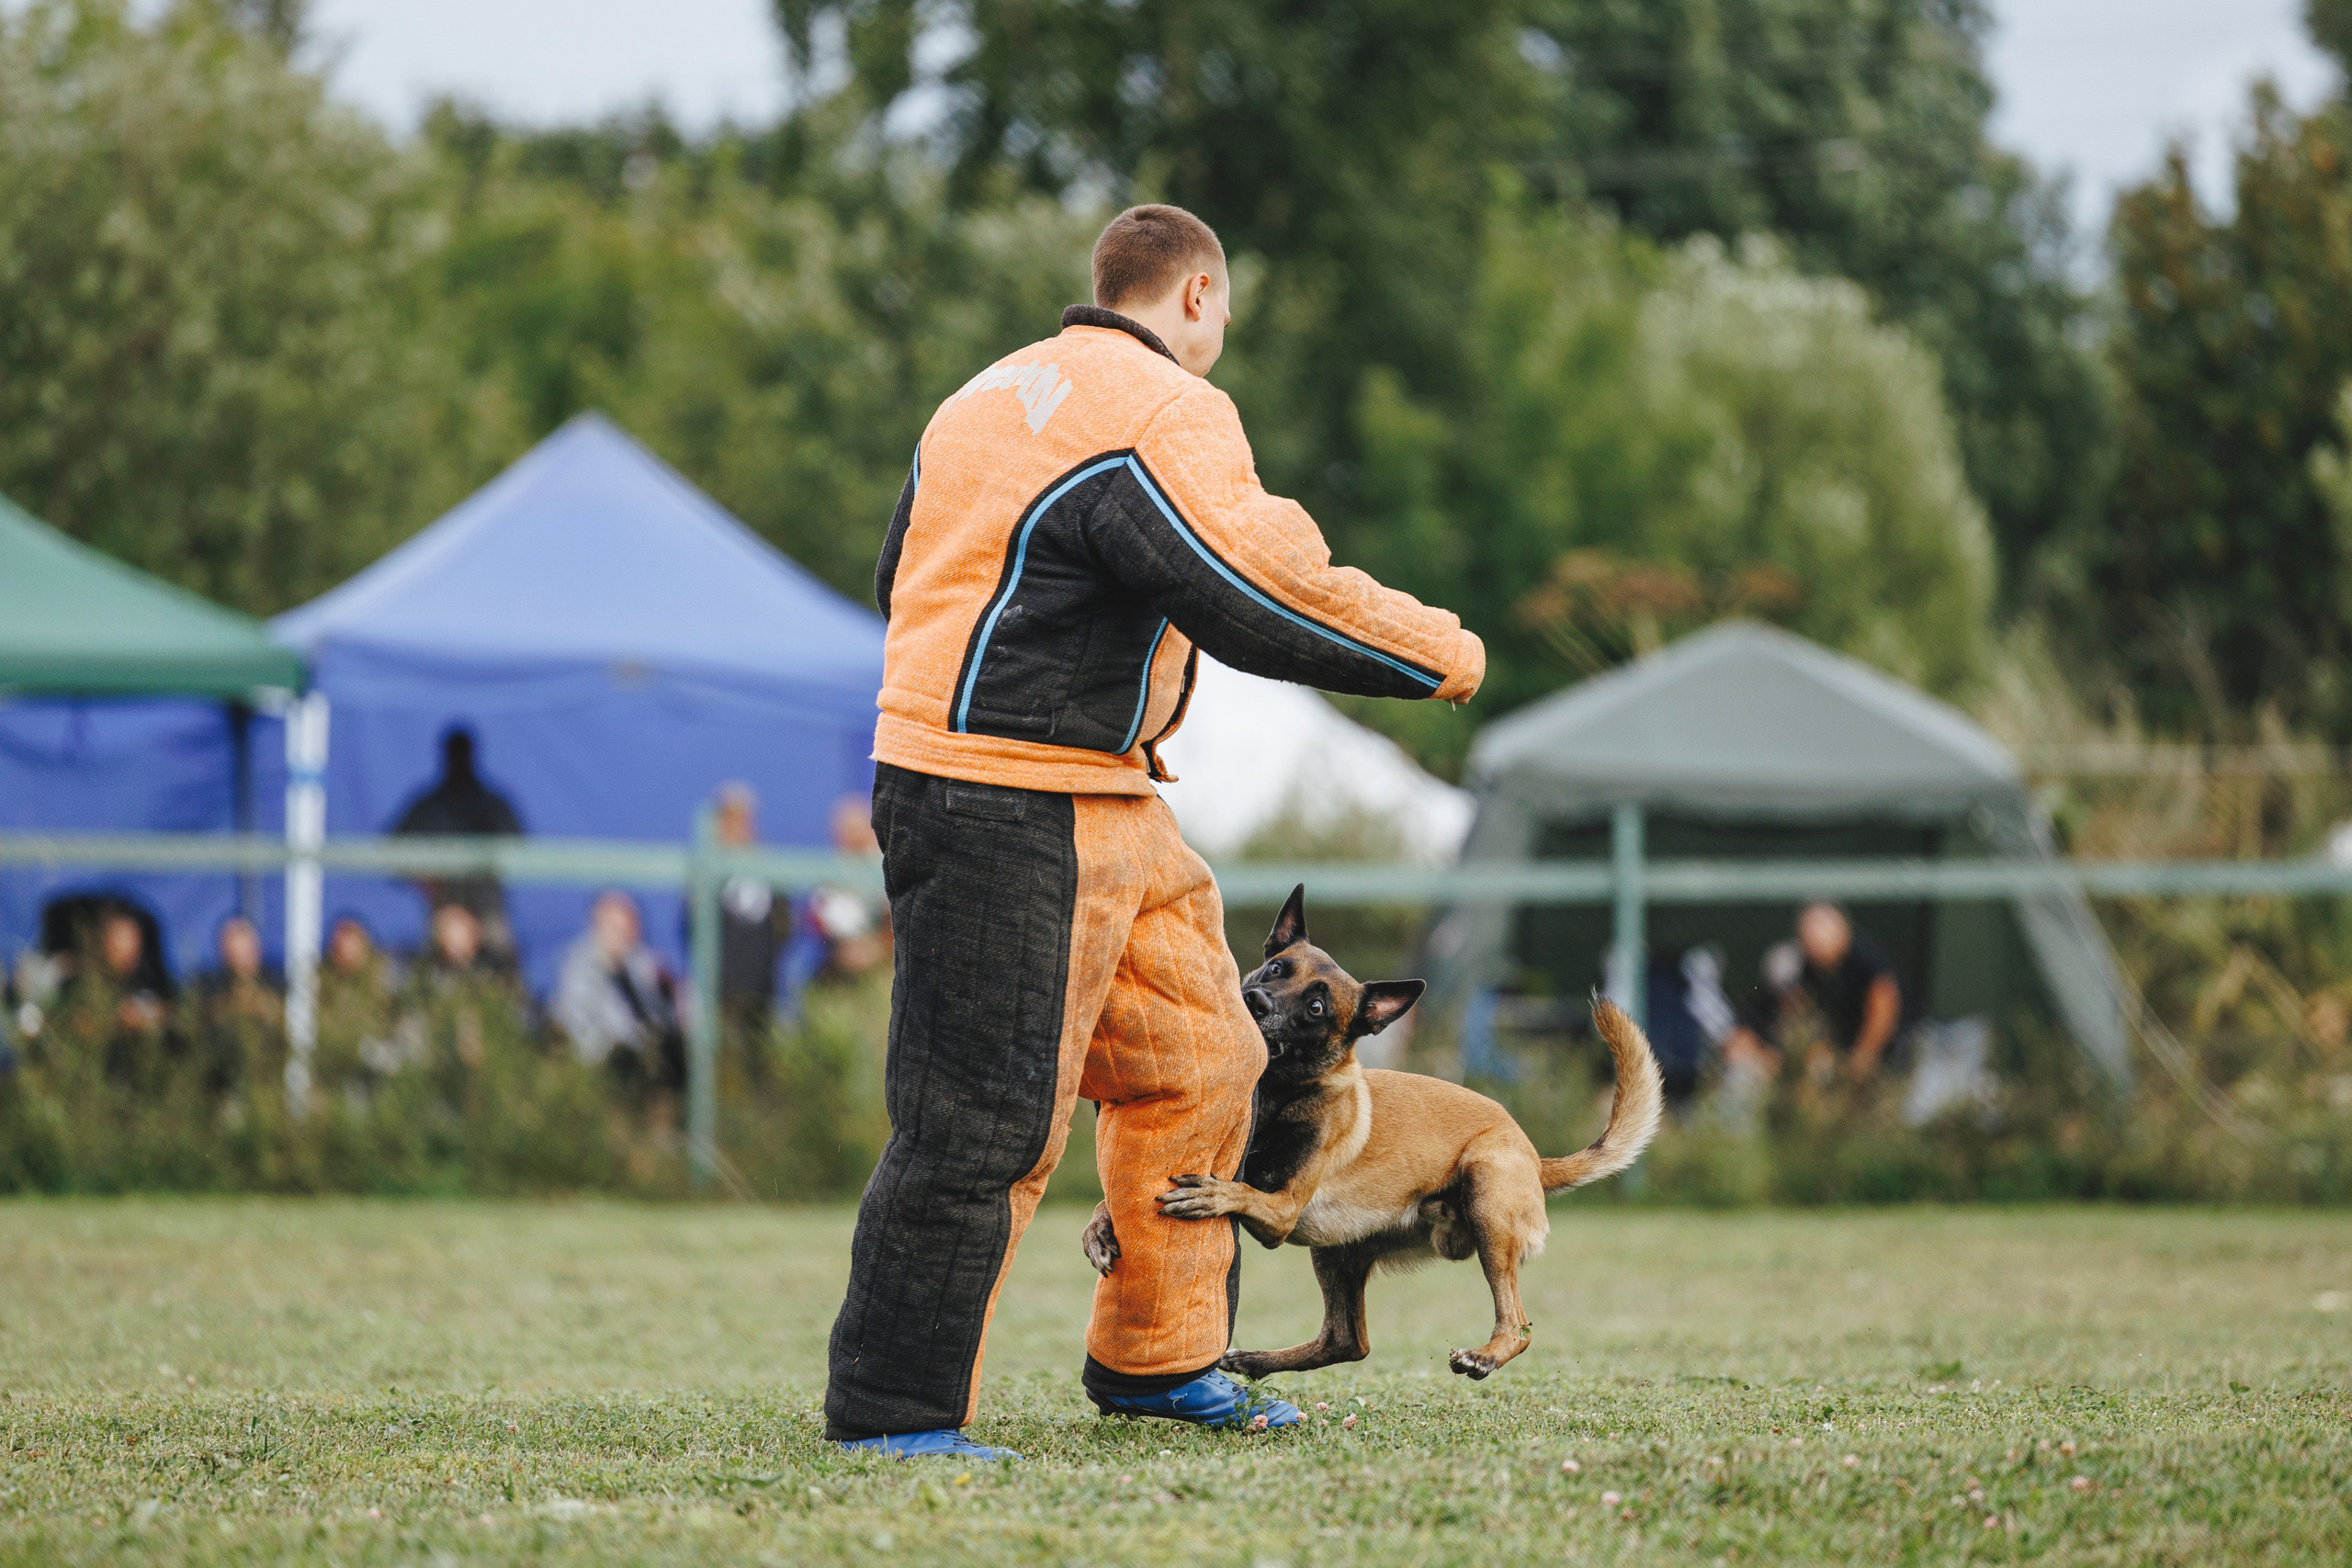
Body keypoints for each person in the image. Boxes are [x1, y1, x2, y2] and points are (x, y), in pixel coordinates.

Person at [826, 204, 1485, 1459]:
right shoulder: (1162, 406)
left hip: (1100, 788)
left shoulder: (977, 398)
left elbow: (899, 574)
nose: (1220, 337)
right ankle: (895, 1411)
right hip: (1003, 796)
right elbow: (1257, 584)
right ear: (1193, 298)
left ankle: (1162, 1356)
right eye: (1223, 316)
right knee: (984, 1111)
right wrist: (1439, 650)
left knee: (1205, 1056)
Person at [1724, 902, 1905, 1086]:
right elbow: (1741, 1041)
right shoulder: (1781, 990)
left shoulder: (1865, 964)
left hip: (1893, 1057)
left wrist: (1861, 1058)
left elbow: (1884, 1001)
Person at [390, 726, 526, 957]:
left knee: (501, 963)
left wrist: (490, 866)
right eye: (455, 754)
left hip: (487, 906)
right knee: (436, 970)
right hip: (444, 905)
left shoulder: (493, 804)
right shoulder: (428, 806)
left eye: (464, 753)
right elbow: (392, 852)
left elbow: (520, 850)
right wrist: (423, 876)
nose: (460, 761)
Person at [554, 890, 684, 1099]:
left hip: (651, 1061)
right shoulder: (578, 965)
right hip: (605, 1065)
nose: (623, 935)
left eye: (629, 926)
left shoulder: (645, 962)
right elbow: (581, 1028)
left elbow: (664, 1015)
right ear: (597, 925)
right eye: (615, 927)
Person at [709, 782, 792, 1023]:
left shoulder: (768, 871)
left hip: (762, 989)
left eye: (742, 820)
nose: (736, 829)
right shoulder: (707, 875)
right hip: (720, 993)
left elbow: (784, 925)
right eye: (729, 820)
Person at [193, 915, 283, 1092]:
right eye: (233, 954)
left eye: (245, 953)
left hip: (267, 1076)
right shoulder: (209, 984)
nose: (240, 961)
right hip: (220, 1079)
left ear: (257, 950)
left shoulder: (276, 981)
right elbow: (197, 1015)